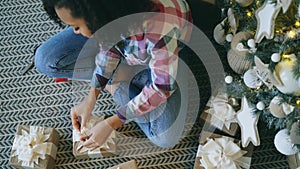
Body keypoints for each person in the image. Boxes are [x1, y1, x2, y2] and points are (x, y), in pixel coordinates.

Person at [37, 0, 192, 149]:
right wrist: (91, 96)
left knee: (166, 137)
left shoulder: (159, 29)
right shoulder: (109, 18)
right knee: (45, 60)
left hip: (168, 53)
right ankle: (122, 78)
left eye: (76, 26)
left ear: (96, 18)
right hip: (130, 46)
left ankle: (119, 83)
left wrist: (112, 122)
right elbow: (108, 44)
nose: (75, 32)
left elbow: (162, 87)